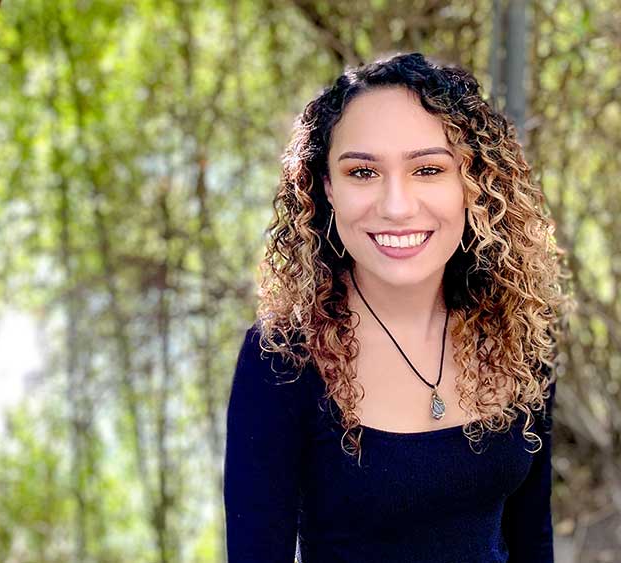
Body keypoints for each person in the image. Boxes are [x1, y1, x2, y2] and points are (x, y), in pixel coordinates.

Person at [223, 52, 574, 563]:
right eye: (363, 172)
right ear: (327, 189)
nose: (396, 205)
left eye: (428, 168)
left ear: (473, 184)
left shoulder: (519, 327)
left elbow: (531, 541)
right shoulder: (284, 356)